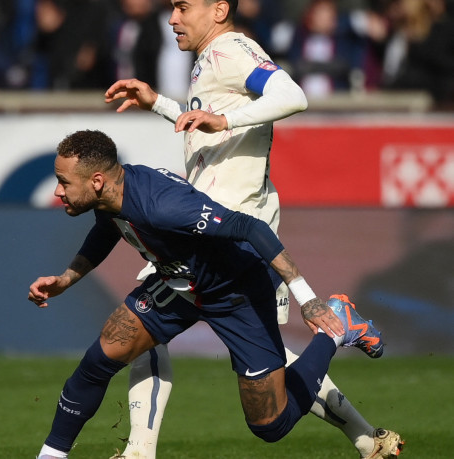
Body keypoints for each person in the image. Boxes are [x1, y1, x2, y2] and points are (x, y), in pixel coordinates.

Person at [103, 1, 404, 457]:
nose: (172, 18)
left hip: (226, 235)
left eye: (183, 6)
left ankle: (139, 452)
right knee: (269, 362)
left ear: (219, 9)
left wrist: (225, 119)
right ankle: (366, 438)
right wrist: (161, 104)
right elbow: (210, 128)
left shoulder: (233, 50)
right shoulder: (210, 57)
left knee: (141, 328)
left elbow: (292, 96)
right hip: (217, 229)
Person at [30, 129, 386, 459]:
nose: (57, 191)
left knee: (270, 425)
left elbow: (250, 227)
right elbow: (107, 229)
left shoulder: (163, 207)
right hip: (179, 286)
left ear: (96, 181)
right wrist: (67, 278)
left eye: (64, 182)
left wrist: (307, 299)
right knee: (97, 363)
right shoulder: (112, 195)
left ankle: (337, 328)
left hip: (236, 292)